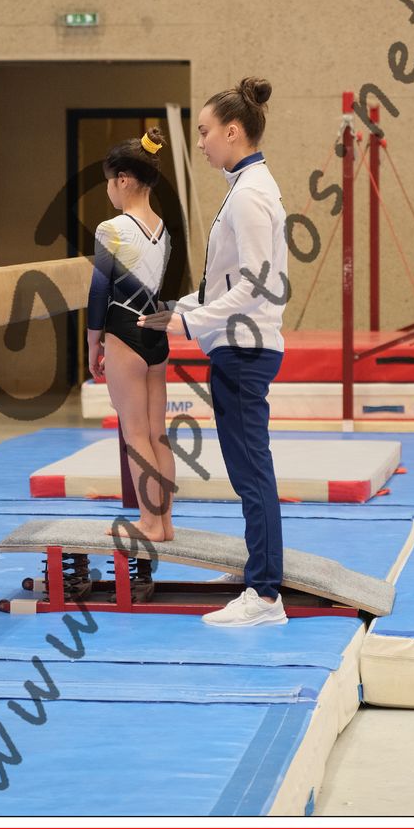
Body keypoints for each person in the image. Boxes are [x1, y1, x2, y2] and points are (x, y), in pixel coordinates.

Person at [138, 78, 289, 627]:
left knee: (251, 472)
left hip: (244, 348)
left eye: (204, 132)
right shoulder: (246, 186)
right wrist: (177, 306)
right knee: (247, 468)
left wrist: (187, 321)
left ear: (233, 131)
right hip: (237, 344)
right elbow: (226, 281)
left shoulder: (249, 194)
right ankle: (257, 569)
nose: (200, 142)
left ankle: (265, 595)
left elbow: (256, 284)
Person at [87, 127, 176, 542]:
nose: (109, 189)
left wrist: (93, 342)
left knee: (135, 433)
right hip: (157, 334)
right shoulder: (163, 229)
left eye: (109, 181)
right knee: (157, 433)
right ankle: (165, 523)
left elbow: (99, 291)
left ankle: (148, 522)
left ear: (123, 180)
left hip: (124, 331)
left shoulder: (112, 228)